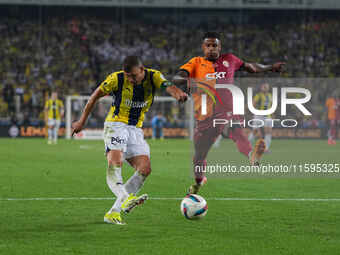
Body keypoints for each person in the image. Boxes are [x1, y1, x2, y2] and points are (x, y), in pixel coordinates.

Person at [72, 56, 187, 225]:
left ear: (142, 70)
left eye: (133, 76)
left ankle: (113, 212)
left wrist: (178, 93)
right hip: (116, 124)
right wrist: (82, 121)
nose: (130, 80)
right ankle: (125, 198)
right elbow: (94, 97)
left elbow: (167, 86)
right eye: (128, 76)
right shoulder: (116, 78)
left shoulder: (153, 76)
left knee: (145, 168)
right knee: (115, 162)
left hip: (135, 129)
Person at [174, 32, 285, 194]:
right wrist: (190, 81)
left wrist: (270, 67)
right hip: (205, 115)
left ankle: (251, 155)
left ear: (220, 47)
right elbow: (177, 77)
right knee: (199, 156)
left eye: (215, 45)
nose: (211, 48)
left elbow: (251, 67)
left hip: (228, 109)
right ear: (203, 47)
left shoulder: (230, 59)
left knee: (235, 131)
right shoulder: (196, 63)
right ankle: (198, 182)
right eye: (208, 45)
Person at [248, 83, 273, 152]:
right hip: (258, 115)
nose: (265, 88)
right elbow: (253, 104)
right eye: (264, 87)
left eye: (267, 87)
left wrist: (272, 115)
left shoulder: (270, 96)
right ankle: (248, 146)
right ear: (261, 88)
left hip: (267, 116)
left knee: (268, 132)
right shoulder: (258, 96)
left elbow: (271, 106)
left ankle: (266, 148)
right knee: (255, 131)